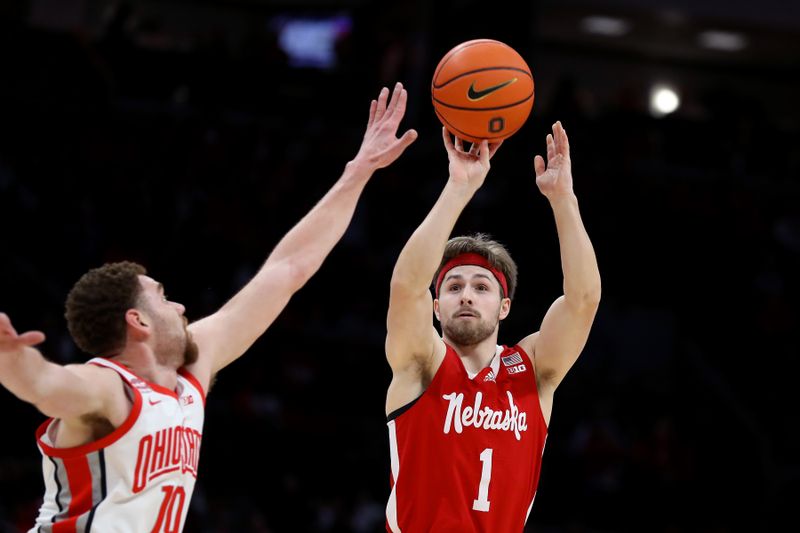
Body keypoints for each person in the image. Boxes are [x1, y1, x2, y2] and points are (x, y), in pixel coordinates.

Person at [0, 82, 417, 533]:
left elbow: (289, 268)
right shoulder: (106, 388)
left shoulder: (190, 371)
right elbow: (45, 384)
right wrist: (10, 359)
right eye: (162, 296)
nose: (180, 306)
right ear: (136, 321)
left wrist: (358, 172)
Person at [384, 121, 601, 532]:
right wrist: (459, 188)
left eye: (480, 286)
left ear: (504, 307)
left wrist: (563, 200)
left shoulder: (533, 370)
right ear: (435, 306)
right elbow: (406, 286)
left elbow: (583, 301)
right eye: (453, 286)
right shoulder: (421, 365)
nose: (466, 295)